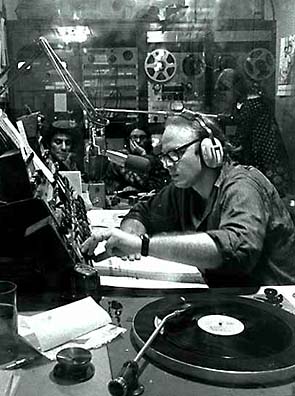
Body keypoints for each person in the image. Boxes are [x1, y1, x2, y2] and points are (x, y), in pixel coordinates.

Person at [81, 111, 295, 288]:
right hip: (225, 297)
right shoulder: (184, 190)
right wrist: (130, 231)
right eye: (164, 157)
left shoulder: (243, 186)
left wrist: (141, 245)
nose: (167, 164)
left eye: (175, 154)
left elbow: (237, 250)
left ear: (209, 150)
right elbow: (143, 211)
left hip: (273, 304)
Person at [213, 68, 292, 198]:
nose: (219, 93)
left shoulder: (251, 107)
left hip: (265, 171)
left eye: (224, 88)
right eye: (217, 89)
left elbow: (237, 146)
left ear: (237, 89)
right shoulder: (248, 106)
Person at [105, 128, 169, 194]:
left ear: (148, 139)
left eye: (142, 137)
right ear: (129, 140)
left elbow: (158, 183)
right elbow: (111, 183)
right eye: (134, 137)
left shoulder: (156, 160)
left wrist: (144, 155)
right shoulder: (121, 158)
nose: (138, 141)